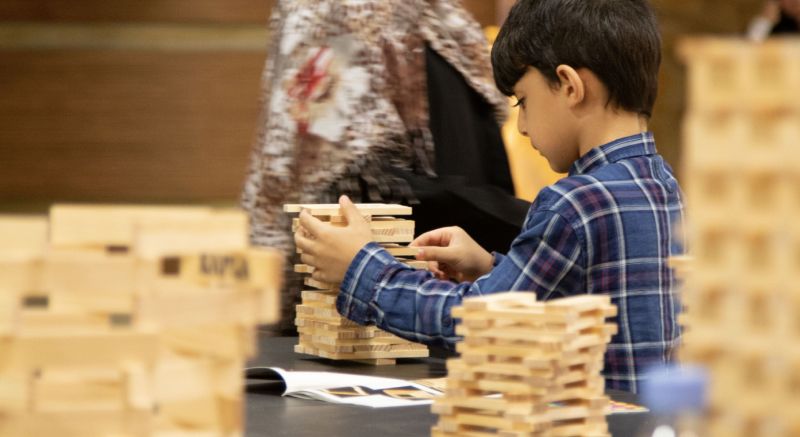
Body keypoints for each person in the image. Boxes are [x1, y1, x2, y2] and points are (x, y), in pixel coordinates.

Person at [295, 0, 684, 393]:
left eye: (523, 102)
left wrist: (360, 269)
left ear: (569, 86)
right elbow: (578, 290)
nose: (525, 126)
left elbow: (474, 323)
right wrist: (489, 268)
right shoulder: (661, 184)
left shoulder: (575, 204)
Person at [241, 0, 528, 333]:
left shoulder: (441, 15)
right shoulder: (337, 12)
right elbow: (343, 179)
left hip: (451, 295)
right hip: (363, 317)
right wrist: (532, 222)